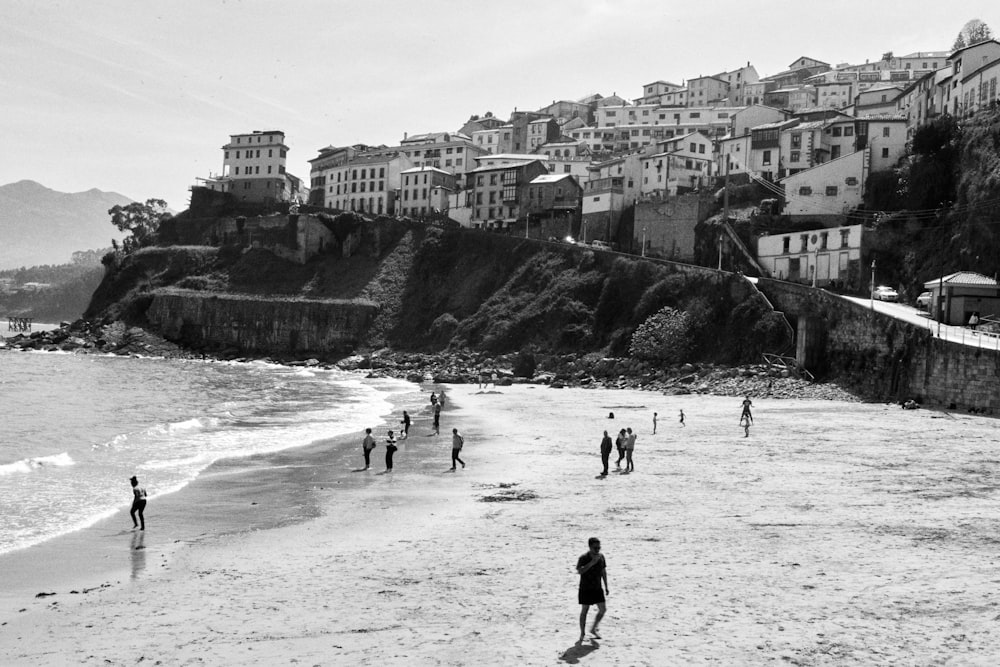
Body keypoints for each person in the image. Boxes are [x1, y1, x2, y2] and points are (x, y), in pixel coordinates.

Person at [576, 537, 608, 641]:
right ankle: (582, 633)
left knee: (603, 609)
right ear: (590, 547)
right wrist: (591, 563)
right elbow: (580, 571)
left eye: (599, 547)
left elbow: (603, 571)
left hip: (597, 588)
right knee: (584, 611)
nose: (597, 550)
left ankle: (593, 629)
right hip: (585, 588)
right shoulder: (583, 558)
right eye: (595, 548)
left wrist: (606, 586)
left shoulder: (601, 557)